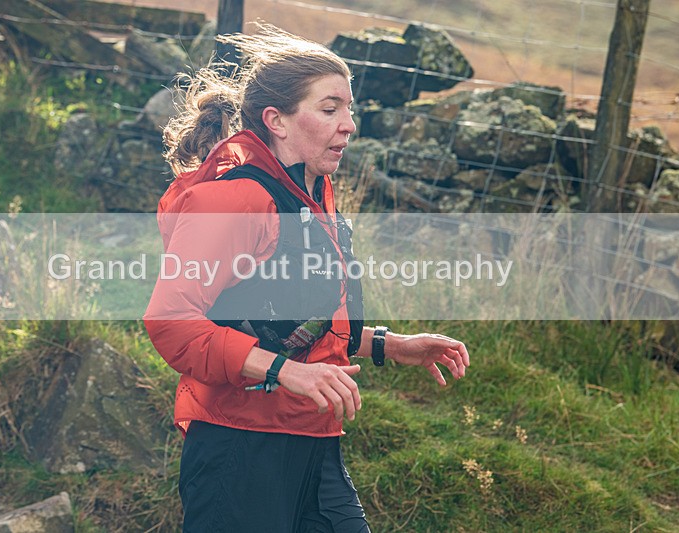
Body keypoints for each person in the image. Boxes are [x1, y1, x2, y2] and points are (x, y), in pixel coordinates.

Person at [143, 24, 470, 533]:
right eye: (329, 108)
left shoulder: (314, 200)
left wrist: (391, 345)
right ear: (276, 120)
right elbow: (172, 321)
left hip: (314, 443)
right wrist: (286, 372)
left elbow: (295, 322)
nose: (349, 125)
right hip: (239, 448)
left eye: (351, 109)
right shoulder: (233, 201)